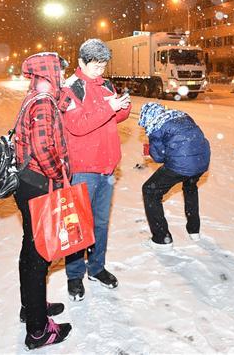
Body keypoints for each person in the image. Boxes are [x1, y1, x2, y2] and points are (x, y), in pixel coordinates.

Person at [59, 38, 131, 301]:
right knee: (78, 225)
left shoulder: (106, 85)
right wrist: (108, 107)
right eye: (95, 66)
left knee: (100, 223)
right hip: (82, 169)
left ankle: (96, 268)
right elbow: (77, 125)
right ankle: (75, 275)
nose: (100, 71)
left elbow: (113, 117)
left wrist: (122, 107)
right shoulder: (71, 88)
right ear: (81, 62)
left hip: (107, 167)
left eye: (103, 66)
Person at [13, 52, 73, 349]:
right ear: (50, 72)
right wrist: (58, 175)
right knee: (39, 257)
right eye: (59, 70)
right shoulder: (42, 102)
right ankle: (38, 330)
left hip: (27, 184)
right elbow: (41, 146)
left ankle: (31, 307)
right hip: (40, 184)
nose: (62, 73)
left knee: (30, 251)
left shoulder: (36, 97)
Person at [137, 102, 211, 248]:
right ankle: (194, 230)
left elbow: (159, 157)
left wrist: (150, 151)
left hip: (182, 164)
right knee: (190, 187)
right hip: (202, 159)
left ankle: (161, 238)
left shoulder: (155, 126)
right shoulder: (181, 115)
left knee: (150, 190)